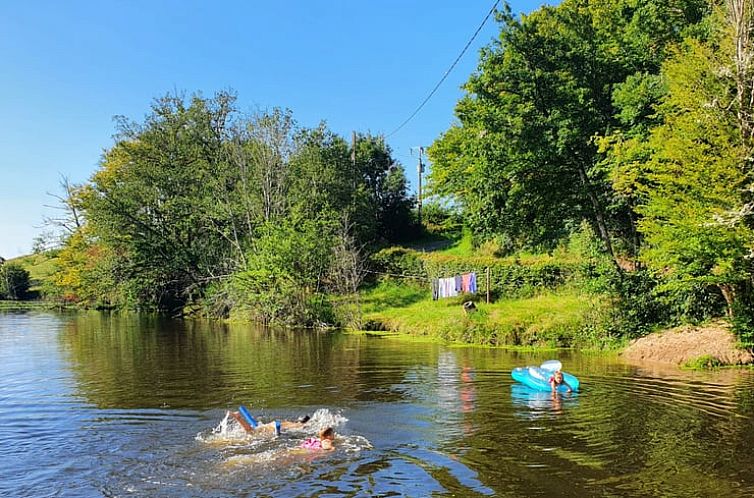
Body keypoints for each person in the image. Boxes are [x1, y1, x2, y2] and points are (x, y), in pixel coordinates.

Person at [228, 406, 310, 435]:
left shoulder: (292, 424)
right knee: (252, 431)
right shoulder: (293, 425)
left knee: (252, 431)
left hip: (274, 425)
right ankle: (238, 417)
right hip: (274, 427)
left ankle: (238, 417)